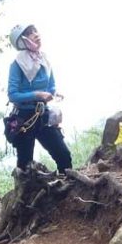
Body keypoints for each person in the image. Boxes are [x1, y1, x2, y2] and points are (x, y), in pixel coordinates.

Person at [7, 23, 73, 173]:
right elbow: (13, 95)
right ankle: (27, 194)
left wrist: (53, 93)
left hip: (43, 115)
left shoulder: (44, 59)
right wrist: (37, 95)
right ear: (22, 41)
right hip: (24, 119)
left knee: (63, 155)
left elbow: (51, 85)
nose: (36, 34)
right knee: (25, 165)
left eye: (35, 31)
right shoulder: (17, 64)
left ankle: (67, 191)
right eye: (30, 33)